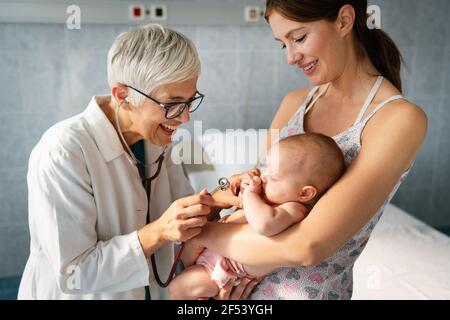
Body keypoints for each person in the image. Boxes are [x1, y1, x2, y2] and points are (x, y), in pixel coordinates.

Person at [189, 0, 427, 300]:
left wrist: (198, 234)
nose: (290, 57)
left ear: (343, 20)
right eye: (282, 44)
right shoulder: (294, 103)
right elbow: (260, 204)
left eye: (298, 38)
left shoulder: (396, 119)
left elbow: (308, 246)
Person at [18, 24, 258, 300]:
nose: (185, 118)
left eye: (190, 101)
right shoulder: (63, 151)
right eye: (172, 104)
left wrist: (216, 200)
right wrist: (158, 232)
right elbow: (75, 273)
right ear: (123, 95)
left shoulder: (157, 141)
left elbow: (180, 225)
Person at [168, 133, 346, 300]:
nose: (264, 178)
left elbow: (263, 224)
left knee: (177, 288)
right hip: (212, 253)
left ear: (305, 193)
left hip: (223, 270)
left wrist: (250, 195)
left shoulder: (294, 209)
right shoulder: (270, 198)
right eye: (265, 169)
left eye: (274, 177)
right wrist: (241, 191)